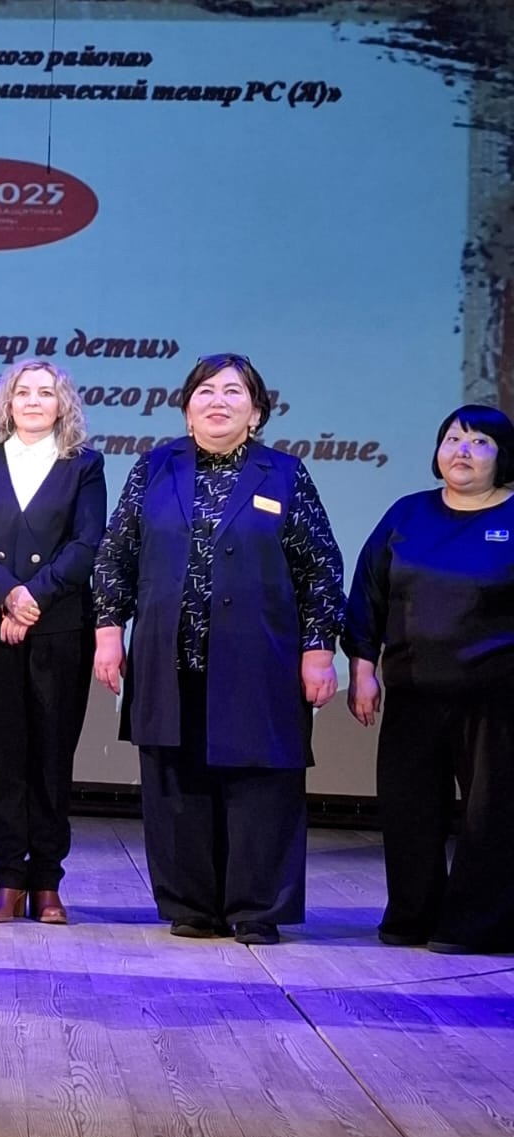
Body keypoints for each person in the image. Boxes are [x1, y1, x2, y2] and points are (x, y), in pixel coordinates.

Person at [92, 353, 344, 946]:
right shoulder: (154, 468)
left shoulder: (284, 474)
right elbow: (115, 554)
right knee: (176, 784)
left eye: (233, 392)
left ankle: (257, 908)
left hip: (259, 659)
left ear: (255, 413)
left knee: (260, 782)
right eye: (205, 391)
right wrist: (108, 630)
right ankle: (191, 904)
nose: (218, 401)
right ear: (186, 410)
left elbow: (320, 568)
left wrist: (318, 648)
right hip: (170, 658)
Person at [344, 404, 514, 955]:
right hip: (413, 690)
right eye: (453, 439)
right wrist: (362, 666)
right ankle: (411, 917)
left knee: (491, 814)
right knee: (408, 810)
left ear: (504, 456)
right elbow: (369, 592)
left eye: (480, 441)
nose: (463, 450)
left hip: (496, 698)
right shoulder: (408, 513)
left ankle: (474, 926)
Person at [0, 360, 106, 924]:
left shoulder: (83, 465)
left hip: (58, 627)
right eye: (23, 392)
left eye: (46, 392)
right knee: (3, 757)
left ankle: (46, 881)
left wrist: (31, 598)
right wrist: (7, 596)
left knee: (51, 756)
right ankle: (7, 880)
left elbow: (86, 544)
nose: (34, 401)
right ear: (7, 403)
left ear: (63, 404)